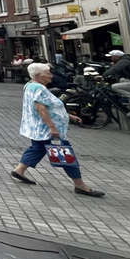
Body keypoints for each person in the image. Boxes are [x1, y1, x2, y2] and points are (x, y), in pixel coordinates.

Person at [10, 62, 104, 197]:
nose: (51, 76)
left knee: (37, 148)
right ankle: (80, 185)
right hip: (46, 130)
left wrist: (68, 115)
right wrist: (52, 127)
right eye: (48, 73)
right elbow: (41, 108)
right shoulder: (39, 88)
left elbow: (50, 107)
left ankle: (19, 170)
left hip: (37, 129)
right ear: (38, 75)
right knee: (65, 154)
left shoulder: (30, 85)